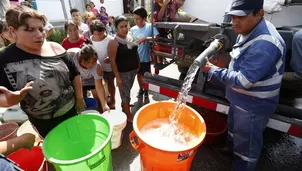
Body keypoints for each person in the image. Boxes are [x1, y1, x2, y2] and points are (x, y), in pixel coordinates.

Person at [202, 0, 286, 171]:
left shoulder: (265, 44)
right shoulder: (250, 28)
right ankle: (231, 151)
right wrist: (223, 63)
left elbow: (243, 81)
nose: (234, 22)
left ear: (259, 13)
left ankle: (242, 164)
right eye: (232, 16)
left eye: (241, 17)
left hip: (253, 105)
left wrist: (213, 70)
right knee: (234, 131)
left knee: (246, 147)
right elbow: (241, 58)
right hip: (239, 100)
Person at [0, 6, 85, 138]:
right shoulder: (5, 59)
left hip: (71, 112)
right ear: (13, 30)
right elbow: (2, 97)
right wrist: (9, 101)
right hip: (44, 124)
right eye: (30, 30)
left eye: (41, 29)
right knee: (58, 151)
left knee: (77, 140)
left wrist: (79, 98)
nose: (39, 35)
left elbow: (75, 74)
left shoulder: (56, 48)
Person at [108, 16, 140, 122]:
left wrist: (138, 65)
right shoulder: (114, 42)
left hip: (133, 70)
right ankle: (127, 113)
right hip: (123, 73)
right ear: (116, 28)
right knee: (125, 93)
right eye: (121, 27)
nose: (125, 29)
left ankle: (124, 105)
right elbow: (112, 61)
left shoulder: (130, 36)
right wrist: (118, 78)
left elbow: (135, 52)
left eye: (126, 26)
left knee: (127, 90)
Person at [68, 44, 110, 112]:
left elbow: (99, 87)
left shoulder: (97, 67)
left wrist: (104, 105)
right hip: (79, 79)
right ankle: (83, 114)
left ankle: (99, 111)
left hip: (92, 78)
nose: (90, 65)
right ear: (81, 60)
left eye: (93, 62)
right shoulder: (72, 60)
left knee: (97, 98)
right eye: (87, 62)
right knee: (82, 99)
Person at [130, 7, 159, 98]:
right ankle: (141, 89)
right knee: (138, 74)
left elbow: (157, 37)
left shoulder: (150, 27)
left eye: (138, 19)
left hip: (146, 57)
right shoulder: (133, 29)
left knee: (145, 75)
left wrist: (146, 38)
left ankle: (146, 90)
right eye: (134, 18)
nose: (135, 21)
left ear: (144, 18)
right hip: (136, 57)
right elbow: (130, 41)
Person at [90, 20, 116, 109]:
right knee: (100, 84)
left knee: (111, 84)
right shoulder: (90, 39)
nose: (97, 36)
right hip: (97, 68)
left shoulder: (110, 39)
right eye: (95, 34)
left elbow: (115, 52)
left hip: (109, 68)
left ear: (104, 30)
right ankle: (105, 99)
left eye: (99, 34)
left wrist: (110, 57)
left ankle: (113, 100)